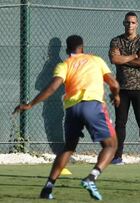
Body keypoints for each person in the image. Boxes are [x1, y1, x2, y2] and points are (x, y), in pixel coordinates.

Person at [13, 35, 120, 201]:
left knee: (68, 148)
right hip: (93, 106)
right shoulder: (96, 60)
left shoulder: (64, 65)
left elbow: (52, 87)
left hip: (72, 109)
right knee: (111, 145)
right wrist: (116, 96)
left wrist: (30, 104)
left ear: (66, 50)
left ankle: (48, 187)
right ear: (83, 48)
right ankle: (91, 178)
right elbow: (114, 83)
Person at [109, 11, 140, 165]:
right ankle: (118, 157)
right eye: (128, 22)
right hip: (121, 89)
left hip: (139, 88)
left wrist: (123, 59)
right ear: (124, 23)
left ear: (137, 24)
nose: (130, 25)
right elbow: (114, 59)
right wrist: (133, 56)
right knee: (120, 123)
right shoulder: (116, 41)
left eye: (133, 22)